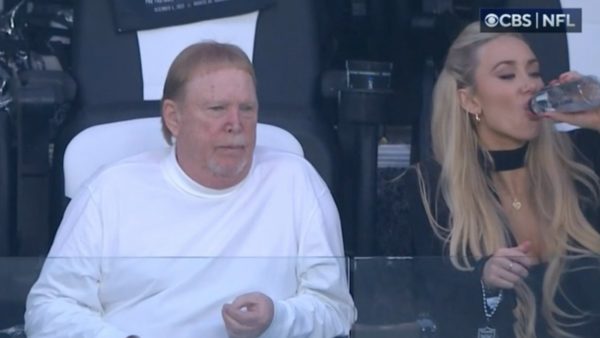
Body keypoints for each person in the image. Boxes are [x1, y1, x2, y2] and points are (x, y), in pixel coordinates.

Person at [25, 42, 356, 338]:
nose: (235, 124)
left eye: (247, 109)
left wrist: (279, 318)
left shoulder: (296, 181)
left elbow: (337, 312)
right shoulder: (111, 190)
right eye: (217, 109)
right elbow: (48, 309)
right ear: (173, 117)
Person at [380, 22, 600, 338]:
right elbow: (416, 307)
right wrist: (481, 279)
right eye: (507, 75)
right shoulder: (429, 187)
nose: (529, 85)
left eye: (534, 72)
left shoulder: (583, 159)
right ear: (470, 101)